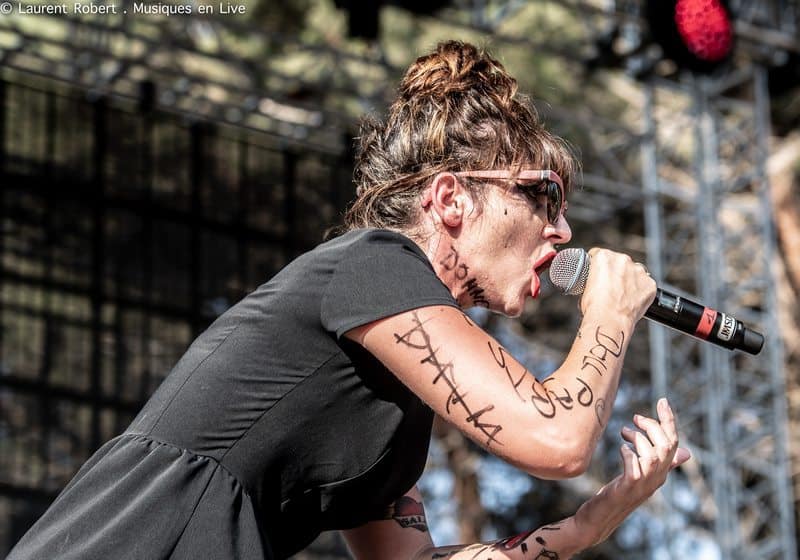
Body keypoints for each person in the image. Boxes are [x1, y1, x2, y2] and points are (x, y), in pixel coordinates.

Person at [8, 40, 690, 560]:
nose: (561, 230)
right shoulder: (373, 266)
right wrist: (610, 311)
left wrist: (591, 522)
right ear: (451, 199)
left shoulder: (399, 384)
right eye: (544, 195)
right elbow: (555, 438)